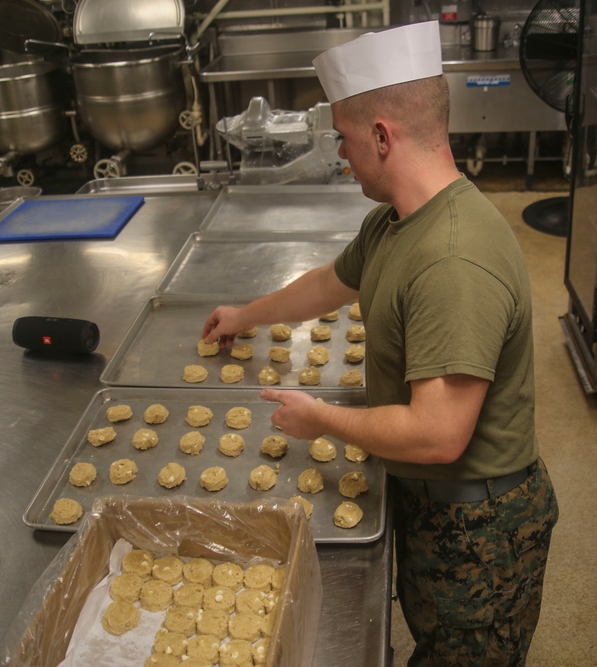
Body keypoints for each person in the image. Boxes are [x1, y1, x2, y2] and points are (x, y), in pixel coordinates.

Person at [202, 21, 559, 666]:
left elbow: (438, 434)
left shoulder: (454, 261)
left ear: (381, 136)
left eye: (343, 138)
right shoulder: (397, 222)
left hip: (479, 532)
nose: (341, 154)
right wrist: (244, 316)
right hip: (429, 502)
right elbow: (328, 284)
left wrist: (320, 419)